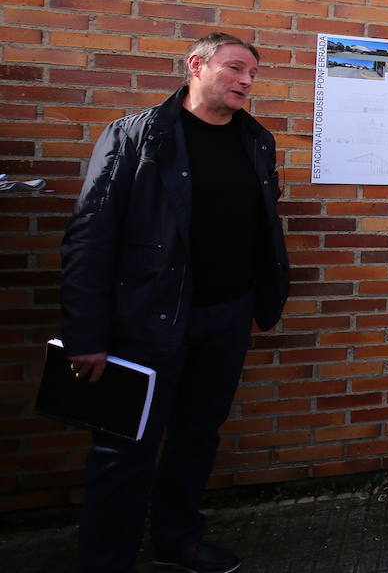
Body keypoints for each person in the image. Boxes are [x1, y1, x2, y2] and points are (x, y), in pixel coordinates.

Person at [61, 33, 291, 573]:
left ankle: (176, 539)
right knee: (123, 448)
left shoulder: (256, 141)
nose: (246, 82)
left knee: (196, 437)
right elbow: (89, 237)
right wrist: (86, 335)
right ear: (197, 65)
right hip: (146, 320)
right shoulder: (138, 136)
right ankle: (106, 561)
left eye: (253, 75)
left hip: (227, 316)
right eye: (236, 69)